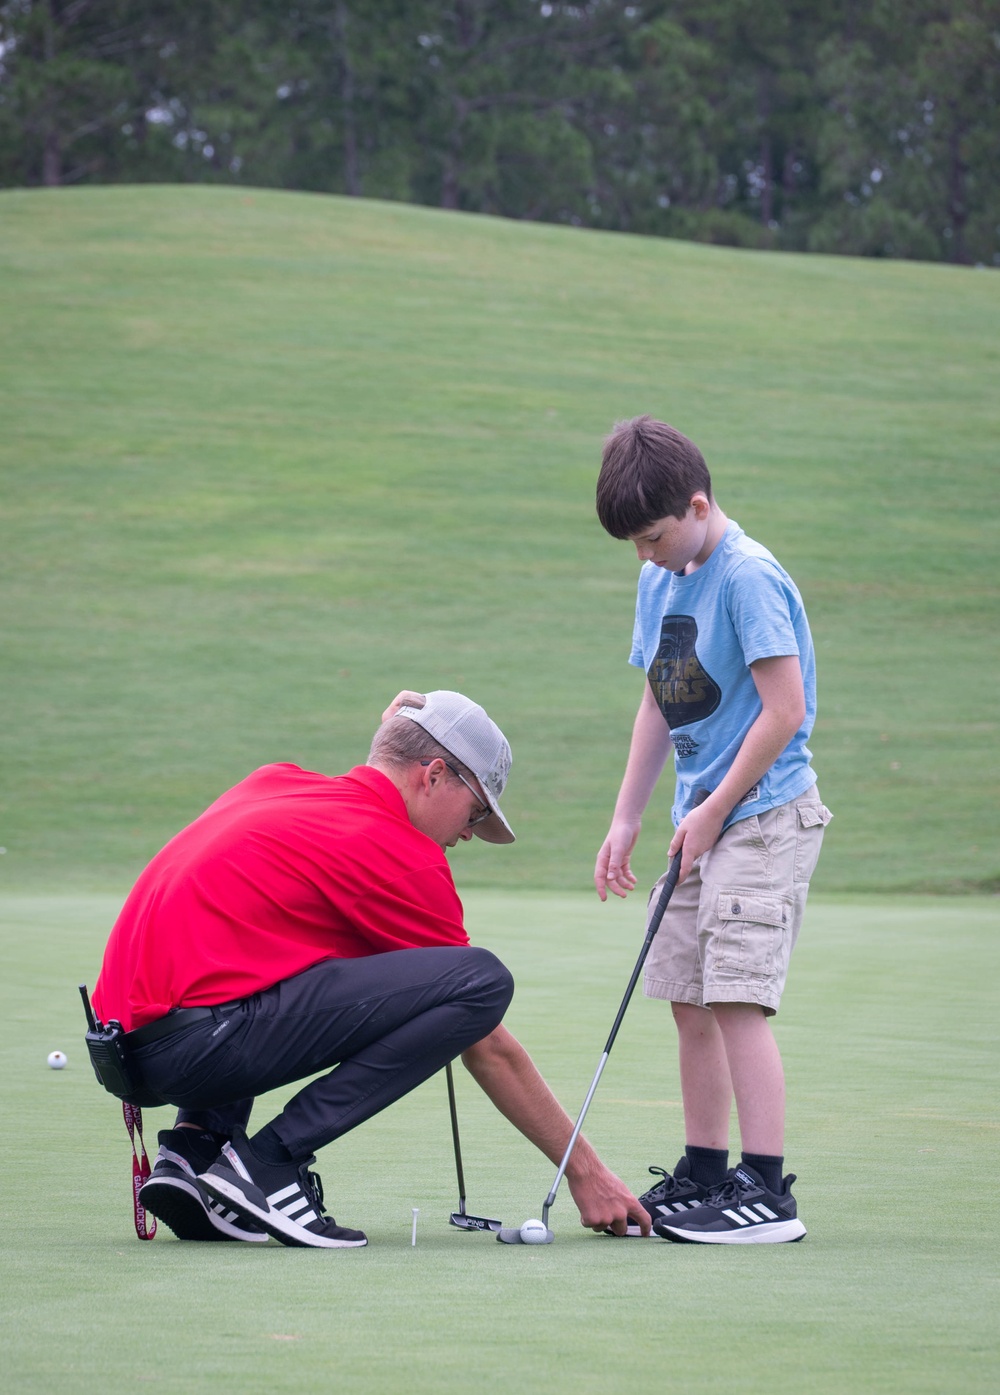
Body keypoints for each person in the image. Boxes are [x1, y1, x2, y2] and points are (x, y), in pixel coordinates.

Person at [93, 688, 647, 1249]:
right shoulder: (395, 852)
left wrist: (396, 739)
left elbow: (376, 785)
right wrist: (585, 1171)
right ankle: (266, 1165)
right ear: (432, 775)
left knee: (268, 952)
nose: (467, 834)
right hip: (197, 1047)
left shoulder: (277, 782)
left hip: (127, 1056)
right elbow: (485, 1039)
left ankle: (195, 1150)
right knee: (481, 981)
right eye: (475, 812)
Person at [593, 417, 832, 1244]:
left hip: (763, 815)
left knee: (735, 996)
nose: (645, 555)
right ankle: (704, 1171)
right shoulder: (661, 579)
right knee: (687, 999)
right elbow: (659, 701)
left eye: (653, 536)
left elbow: (786, 711)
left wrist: (716, 806)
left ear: (697, 504)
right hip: (702, 819)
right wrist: (627, 813)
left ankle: (765, 1190)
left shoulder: (748, 577)